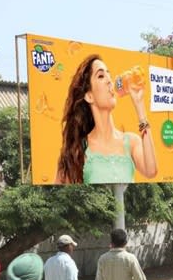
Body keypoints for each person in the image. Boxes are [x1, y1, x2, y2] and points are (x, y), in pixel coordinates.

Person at [56, 54, 158, 185]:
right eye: (100, 76)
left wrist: (139, 105)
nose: (109, 80)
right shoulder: (76, 151)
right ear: (89, 96)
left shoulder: (131, 142)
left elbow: (151, 171)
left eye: (109, 75)